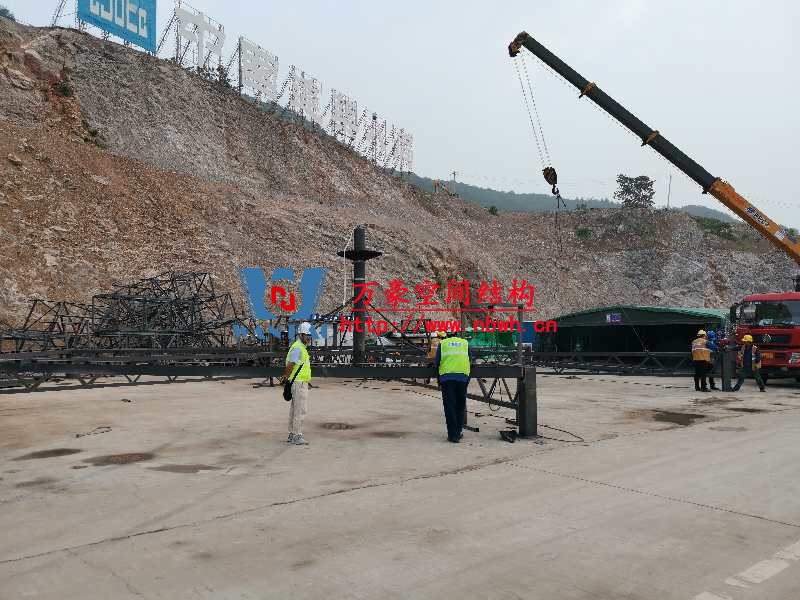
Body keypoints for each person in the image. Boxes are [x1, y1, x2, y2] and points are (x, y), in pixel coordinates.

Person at [434, 331, 472, 443]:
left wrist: (438, 379)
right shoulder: (465, 343)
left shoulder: (443, 343)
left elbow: (437, 362)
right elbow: (470, 359)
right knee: (460, 406)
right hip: (462, 377)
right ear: (457, 334)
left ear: (447, 335)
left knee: (449, 407)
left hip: (447, 378)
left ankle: (452, 435)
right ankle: (458, 432)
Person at [280, 322, 313, 445]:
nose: (309, 338)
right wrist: (286, 377)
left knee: (295, 410)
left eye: (310, 335)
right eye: (307, 335)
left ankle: (292, 434)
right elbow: (291, 365)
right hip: (299, 383)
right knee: (300, 410)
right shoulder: (298, 348)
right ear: (301, 335)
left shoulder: (300, 347)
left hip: (299, 382)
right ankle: (296, 436)